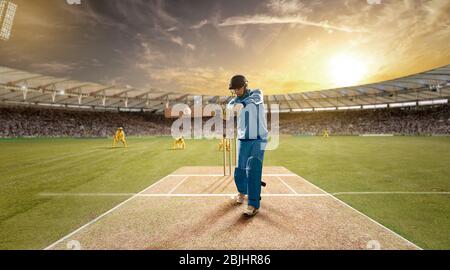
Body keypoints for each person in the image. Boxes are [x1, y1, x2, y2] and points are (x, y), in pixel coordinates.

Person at [227, 75, 268, 217]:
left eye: (238, 88)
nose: (236, 91)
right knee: (240, 170)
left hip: (259, 138)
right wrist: (233, 107)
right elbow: (229, 107)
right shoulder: (233, 101)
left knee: (254, 170)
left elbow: (254, 101)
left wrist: (243, 104)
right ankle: (241, 193)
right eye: (234, 89)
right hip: (243, 139)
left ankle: (253, 204)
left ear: (245, 85)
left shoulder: (257, 93)